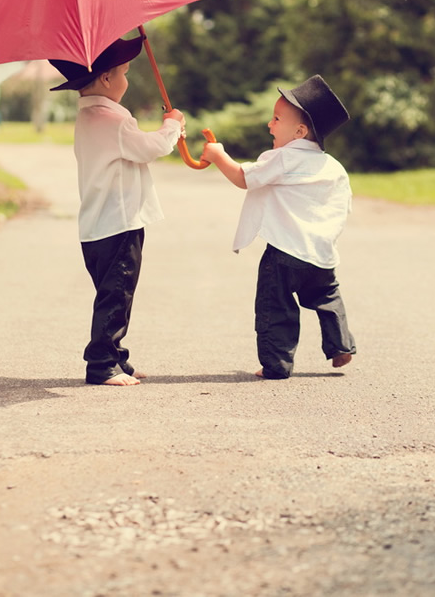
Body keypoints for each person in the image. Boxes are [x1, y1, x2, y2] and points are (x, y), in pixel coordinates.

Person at [49, 36, 185, 387]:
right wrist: (172, 125)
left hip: (95, 228)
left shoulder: (87, 117)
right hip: (120, 225)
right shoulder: (113, 120)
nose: (127, 79)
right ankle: (101, 364)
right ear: (106, 79)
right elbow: (150, 148)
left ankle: (116, 357)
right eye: (124, 72)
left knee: (111, 295)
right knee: (117, 294)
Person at [200, 74, 355, 380]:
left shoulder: (284, 158)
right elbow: (342, 206)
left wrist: (218, 156)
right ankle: (340, 345)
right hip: (320, 253)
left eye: (276, 118)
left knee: (276, 308)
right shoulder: (333, 167)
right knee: (327, 296)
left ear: (299, 131)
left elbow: (245, 178)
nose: (269, 125)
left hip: (284, 252)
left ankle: (276, 364)